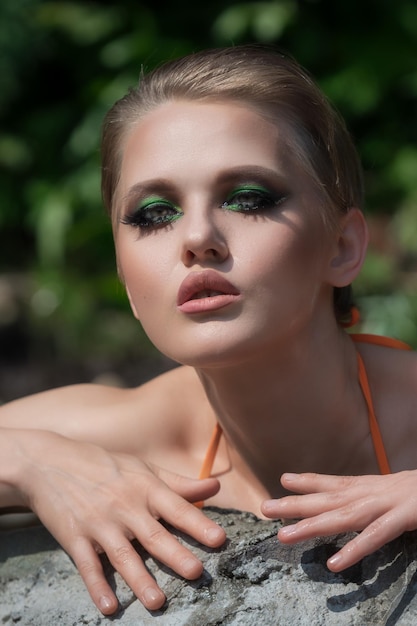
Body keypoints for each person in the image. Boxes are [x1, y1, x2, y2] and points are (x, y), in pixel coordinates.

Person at [2, 44, 417, 617]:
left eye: (247, 199)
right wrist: (32, 463)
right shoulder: (134, 434)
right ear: (125, 276)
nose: (197, 236)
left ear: (342, 247)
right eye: (153, 212)